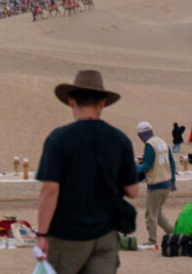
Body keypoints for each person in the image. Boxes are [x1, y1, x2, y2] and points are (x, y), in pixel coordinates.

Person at [35, 70, 139, 274]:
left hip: (68, 235)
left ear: (71, 101)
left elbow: (50, 190)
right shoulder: (120, 139)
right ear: (102, 102)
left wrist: (41, 234)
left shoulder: (59, 139)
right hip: (106, 236)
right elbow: (133, 191)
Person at [135, 121, 175, 245]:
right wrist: (173, 180)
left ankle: (152, 240)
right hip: (167, 183)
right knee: (157, 213)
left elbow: (147, 165)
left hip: (156, 184)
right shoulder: (162, 142)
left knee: (150, 215)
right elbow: (172, 162)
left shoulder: (149, 145)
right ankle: (174, 233)